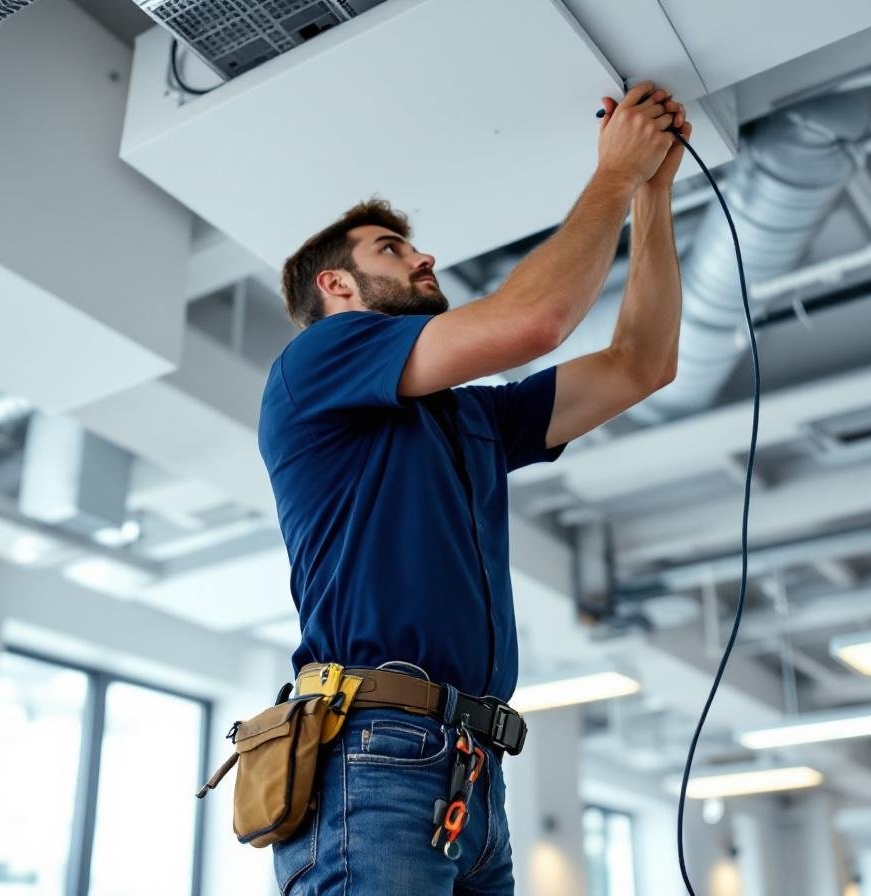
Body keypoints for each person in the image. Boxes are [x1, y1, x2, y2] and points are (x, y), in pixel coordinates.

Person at [257, 80, 688, 895]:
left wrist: (651, 195)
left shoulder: (467, 417)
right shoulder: (317, 361)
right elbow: (537, 320)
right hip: (375, 754)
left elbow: (641, 364)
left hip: (471, 770)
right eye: (391, 249)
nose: (423, 258)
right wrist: (613, 174)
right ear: (336, 287)